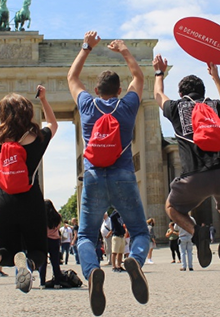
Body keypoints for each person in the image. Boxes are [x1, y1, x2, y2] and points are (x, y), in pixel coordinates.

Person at [68, 30, 149, 315]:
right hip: (124, 174)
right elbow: (139, 79)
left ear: (96, 89)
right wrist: (125, 50)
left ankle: (91, 272)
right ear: (118, 90)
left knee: (87, 236)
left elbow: (72, 78)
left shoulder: (87, 105)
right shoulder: (126, 105)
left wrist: (86, 47)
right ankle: (136, 261)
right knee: (140, 232)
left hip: (92, 177)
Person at [0, 81, 58, 293]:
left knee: (7, 250)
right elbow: (53, 125)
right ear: (28, 113)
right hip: (30, 200)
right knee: (37, 250)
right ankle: (27, 264)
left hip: (2, 199)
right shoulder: (37, 138)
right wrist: (44, 99)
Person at [152, 55, 220, 268]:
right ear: (203, 92)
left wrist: (159, 73)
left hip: (194, 177)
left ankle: (197, 232)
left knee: (171, 207)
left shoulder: (176, 107)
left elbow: (158, 95)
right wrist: (216, 77)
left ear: (181, 94)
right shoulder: (213, 106)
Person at [39, 200, 64, 288]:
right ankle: (57, 282)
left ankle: (42, 283)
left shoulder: (41, 216)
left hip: (44, 240)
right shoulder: (58, 217)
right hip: (55, 240)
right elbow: (57, 228)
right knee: (55, 262)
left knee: (43, 262)